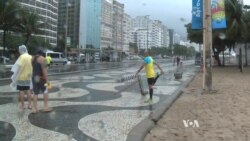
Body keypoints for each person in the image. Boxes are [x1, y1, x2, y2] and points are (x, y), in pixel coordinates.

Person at [10, 45, 33, 110]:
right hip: (28, 77)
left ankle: (23, 106)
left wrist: (14, 75)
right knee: (29, 91)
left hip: (21, 77)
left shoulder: (21, 57)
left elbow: (17, 67)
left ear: (21, 50)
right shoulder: (30, 57)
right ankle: (30, 105)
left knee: (21, 91)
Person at [32, 49, 52, 114]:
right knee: (46, 91)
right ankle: (45, 107)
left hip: (34, 77)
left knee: (35, 93)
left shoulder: (32, 58)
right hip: (41, 78)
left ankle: (34, 109)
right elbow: (44, 70)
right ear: (42, 53)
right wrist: (47, 80)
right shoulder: (43, 59)